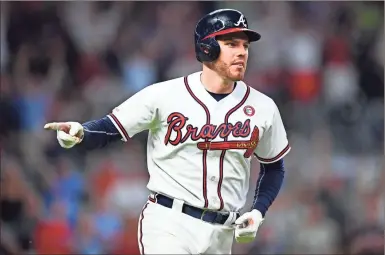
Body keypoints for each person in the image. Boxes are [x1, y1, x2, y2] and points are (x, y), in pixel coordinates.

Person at [44, 9, 291, 254]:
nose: (242, 52)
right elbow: (111, 128)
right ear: (207, 48)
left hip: (222, 234)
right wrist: (81, 132)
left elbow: (273, 167)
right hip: (170, 223)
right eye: (231, 44)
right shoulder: (164, 95)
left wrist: (257, 211)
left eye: (245, 46)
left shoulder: (263, 107)